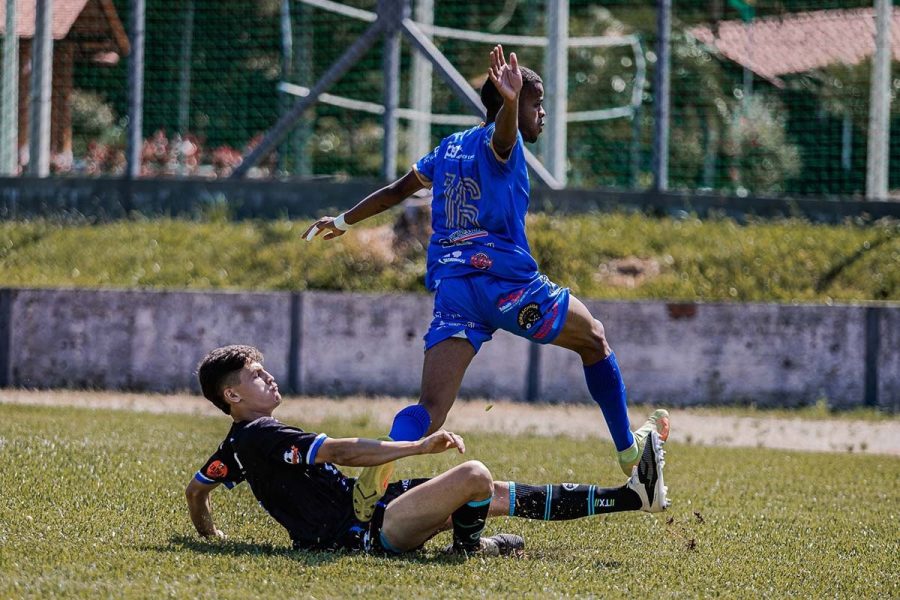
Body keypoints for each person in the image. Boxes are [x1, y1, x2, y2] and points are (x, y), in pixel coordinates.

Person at [303, 45, 670, 523]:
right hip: (508, 286)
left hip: (456, 289)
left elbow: (397, 191)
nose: (541, 115)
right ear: (511, 107)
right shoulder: (504, 142)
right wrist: (513, 105)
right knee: (594, 340)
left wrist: (344, 220)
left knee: (430, 407)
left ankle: (388, 458)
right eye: (538, 106)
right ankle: (629, 455)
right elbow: (502, 138)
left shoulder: (448, 147)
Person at [186, 345, 668, 556]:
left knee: (494, 493)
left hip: (369, 514)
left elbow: (197, 490)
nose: (267, 377)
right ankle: (469, 547)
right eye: (255, 375)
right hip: (360, 535)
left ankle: (630, 497)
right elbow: (342, 451)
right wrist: (417, 445)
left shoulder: (237, 444)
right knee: (474, 477)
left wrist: (212, 534)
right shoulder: (265, 434)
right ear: (232, 395)